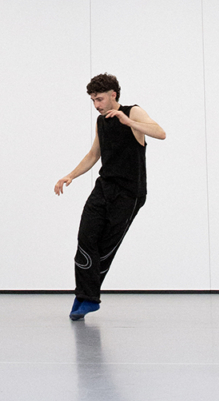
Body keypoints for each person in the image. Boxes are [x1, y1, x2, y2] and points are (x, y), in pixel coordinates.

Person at [54, 73, 166, 321]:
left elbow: (160, 133)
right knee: (86, 240)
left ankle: (86, 297)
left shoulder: (133, 112)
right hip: (104, 188)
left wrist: (129, 122)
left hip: (130, 194)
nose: (97, 105)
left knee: (105, 248)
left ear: (113, 94)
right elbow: (94, 154)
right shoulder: (101, 121)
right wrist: (70, 175)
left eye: (100, 99)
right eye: (93, 100)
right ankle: (85, 296)